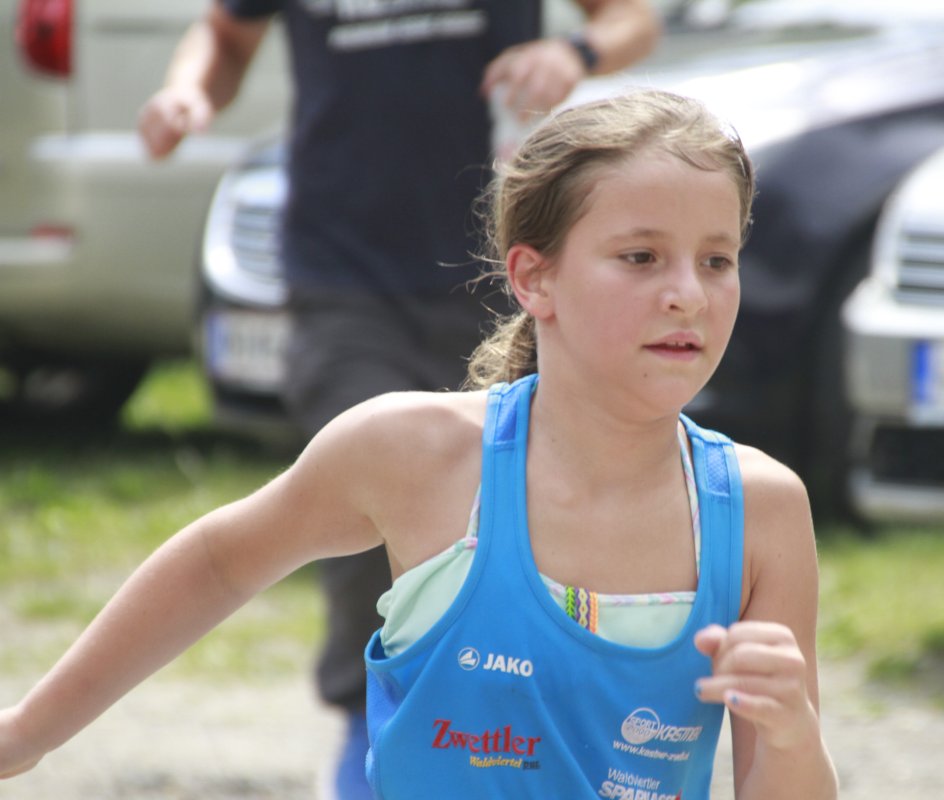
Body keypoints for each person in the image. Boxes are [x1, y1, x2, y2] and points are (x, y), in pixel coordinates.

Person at [0, 89, 838, 798]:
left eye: (717, 260)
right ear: (533, 276)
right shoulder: (415, 456)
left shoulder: (759, 511)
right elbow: (220, 563)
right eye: (641, 256)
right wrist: (24, 734)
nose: (688, 294)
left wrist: (792, 730)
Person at [137, 2, 660, 796]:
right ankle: (369, 729)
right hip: (342, 272)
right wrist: (188, 92)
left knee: (513, 509)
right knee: (367, 503)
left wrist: (576, 51)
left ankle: (517, 730)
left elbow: (633, 20)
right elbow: (224, 34)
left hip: (499, 270)